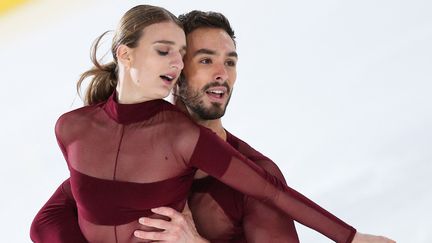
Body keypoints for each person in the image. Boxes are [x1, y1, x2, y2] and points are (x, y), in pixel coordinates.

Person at [30, 5, 395, 243]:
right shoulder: (122, 152)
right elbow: (48, 221)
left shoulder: (253, 179)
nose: (222, 73)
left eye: (230, 62)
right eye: (204, 60)